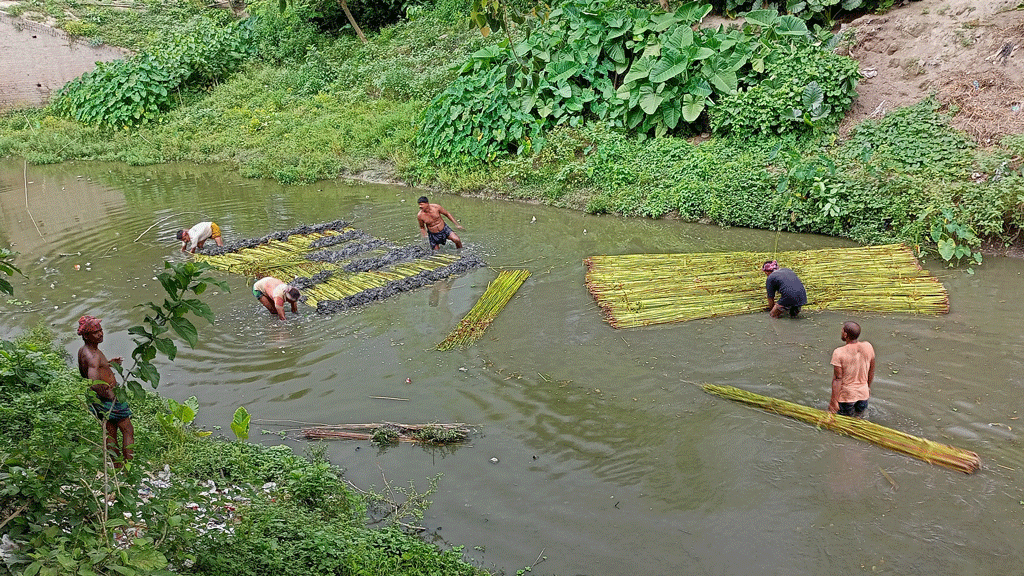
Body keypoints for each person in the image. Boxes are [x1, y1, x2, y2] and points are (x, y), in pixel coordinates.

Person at [77, 316, 134, 468]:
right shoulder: (94, 356)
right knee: (128, 430)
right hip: (108, 399)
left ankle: (117, 467)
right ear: (86, 335)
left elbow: (85, 372)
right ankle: (129, 468)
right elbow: (94, 381)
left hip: (99, 399)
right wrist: (111, 396)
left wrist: (108, 365)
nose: (101, 334)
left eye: (101, 330)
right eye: (96, 332)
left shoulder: (84, 351)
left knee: (110, 431)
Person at [829, 321, 876, 418]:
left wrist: (833, 401)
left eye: (842, 331)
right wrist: (868, 387)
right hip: (863, 394)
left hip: (847, 397)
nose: (841, 333)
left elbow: (838, 379)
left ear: (845, 335)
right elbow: (871, 370)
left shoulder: (839, 352)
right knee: (859, 420)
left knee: (843, 424)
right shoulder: (868, 347)